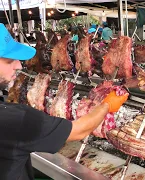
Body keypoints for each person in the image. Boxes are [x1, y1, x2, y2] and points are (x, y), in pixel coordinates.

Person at [0, 23, 129, 180]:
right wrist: (107, 105)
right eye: (9, 60)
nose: (19, 65)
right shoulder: (13, 118)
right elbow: (78, 131)